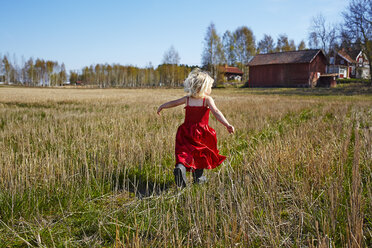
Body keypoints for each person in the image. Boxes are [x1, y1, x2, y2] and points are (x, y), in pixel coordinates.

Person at [157, 68, 234, 187]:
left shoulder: (187, 99)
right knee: (201, 154)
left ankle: (180, 168)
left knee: (184, 152)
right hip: (201, 132)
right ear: (204, 87)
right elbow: (216, 112)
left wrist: (163, 106)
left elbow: (174, 102)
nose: (210, 89)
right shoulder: (207, 100)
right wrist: (227, 124)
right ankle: (198, 177)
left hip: (185, 131)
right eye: (210, 87)